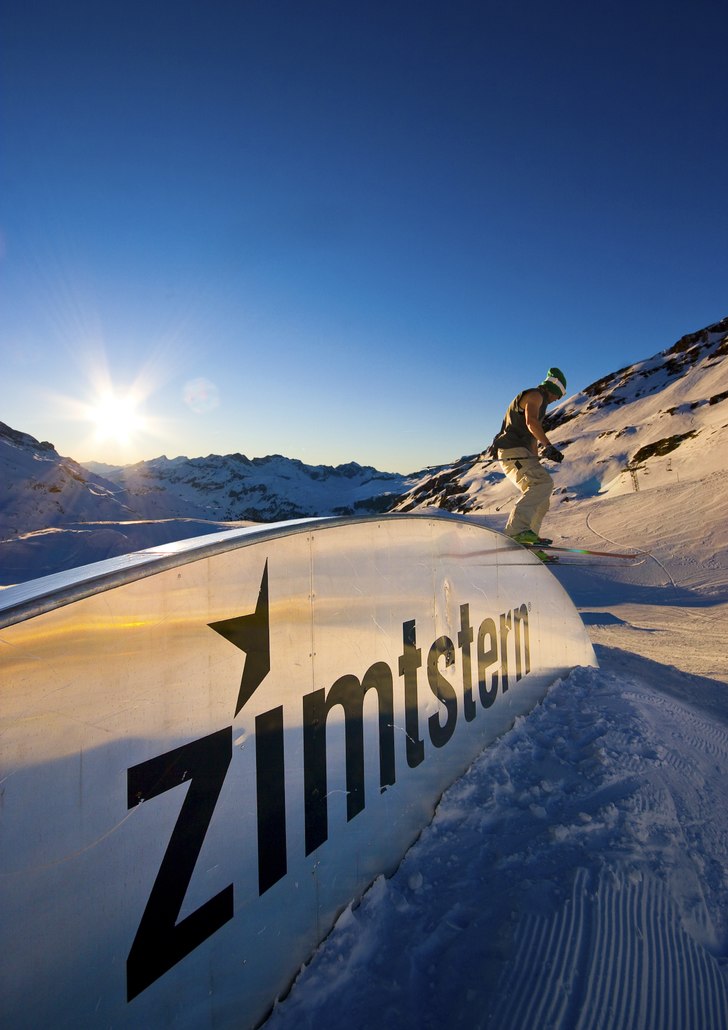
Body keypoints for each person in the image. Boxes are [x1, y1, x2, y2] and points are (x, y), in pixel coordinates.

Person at [490, 367, 567, 557]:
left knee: (541, 499)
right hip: (511, 450)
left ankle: (529, 548)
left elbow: (532, 439)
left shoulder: (540, 403)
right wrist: (548, 446)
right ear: (554, 389)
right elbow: (531, 422)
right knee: (542, 484)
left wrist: (536, 460)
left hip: (520, 452)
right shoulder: (535, 395)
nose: (558, 399)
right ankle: (516, 531)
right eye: (560, 395)